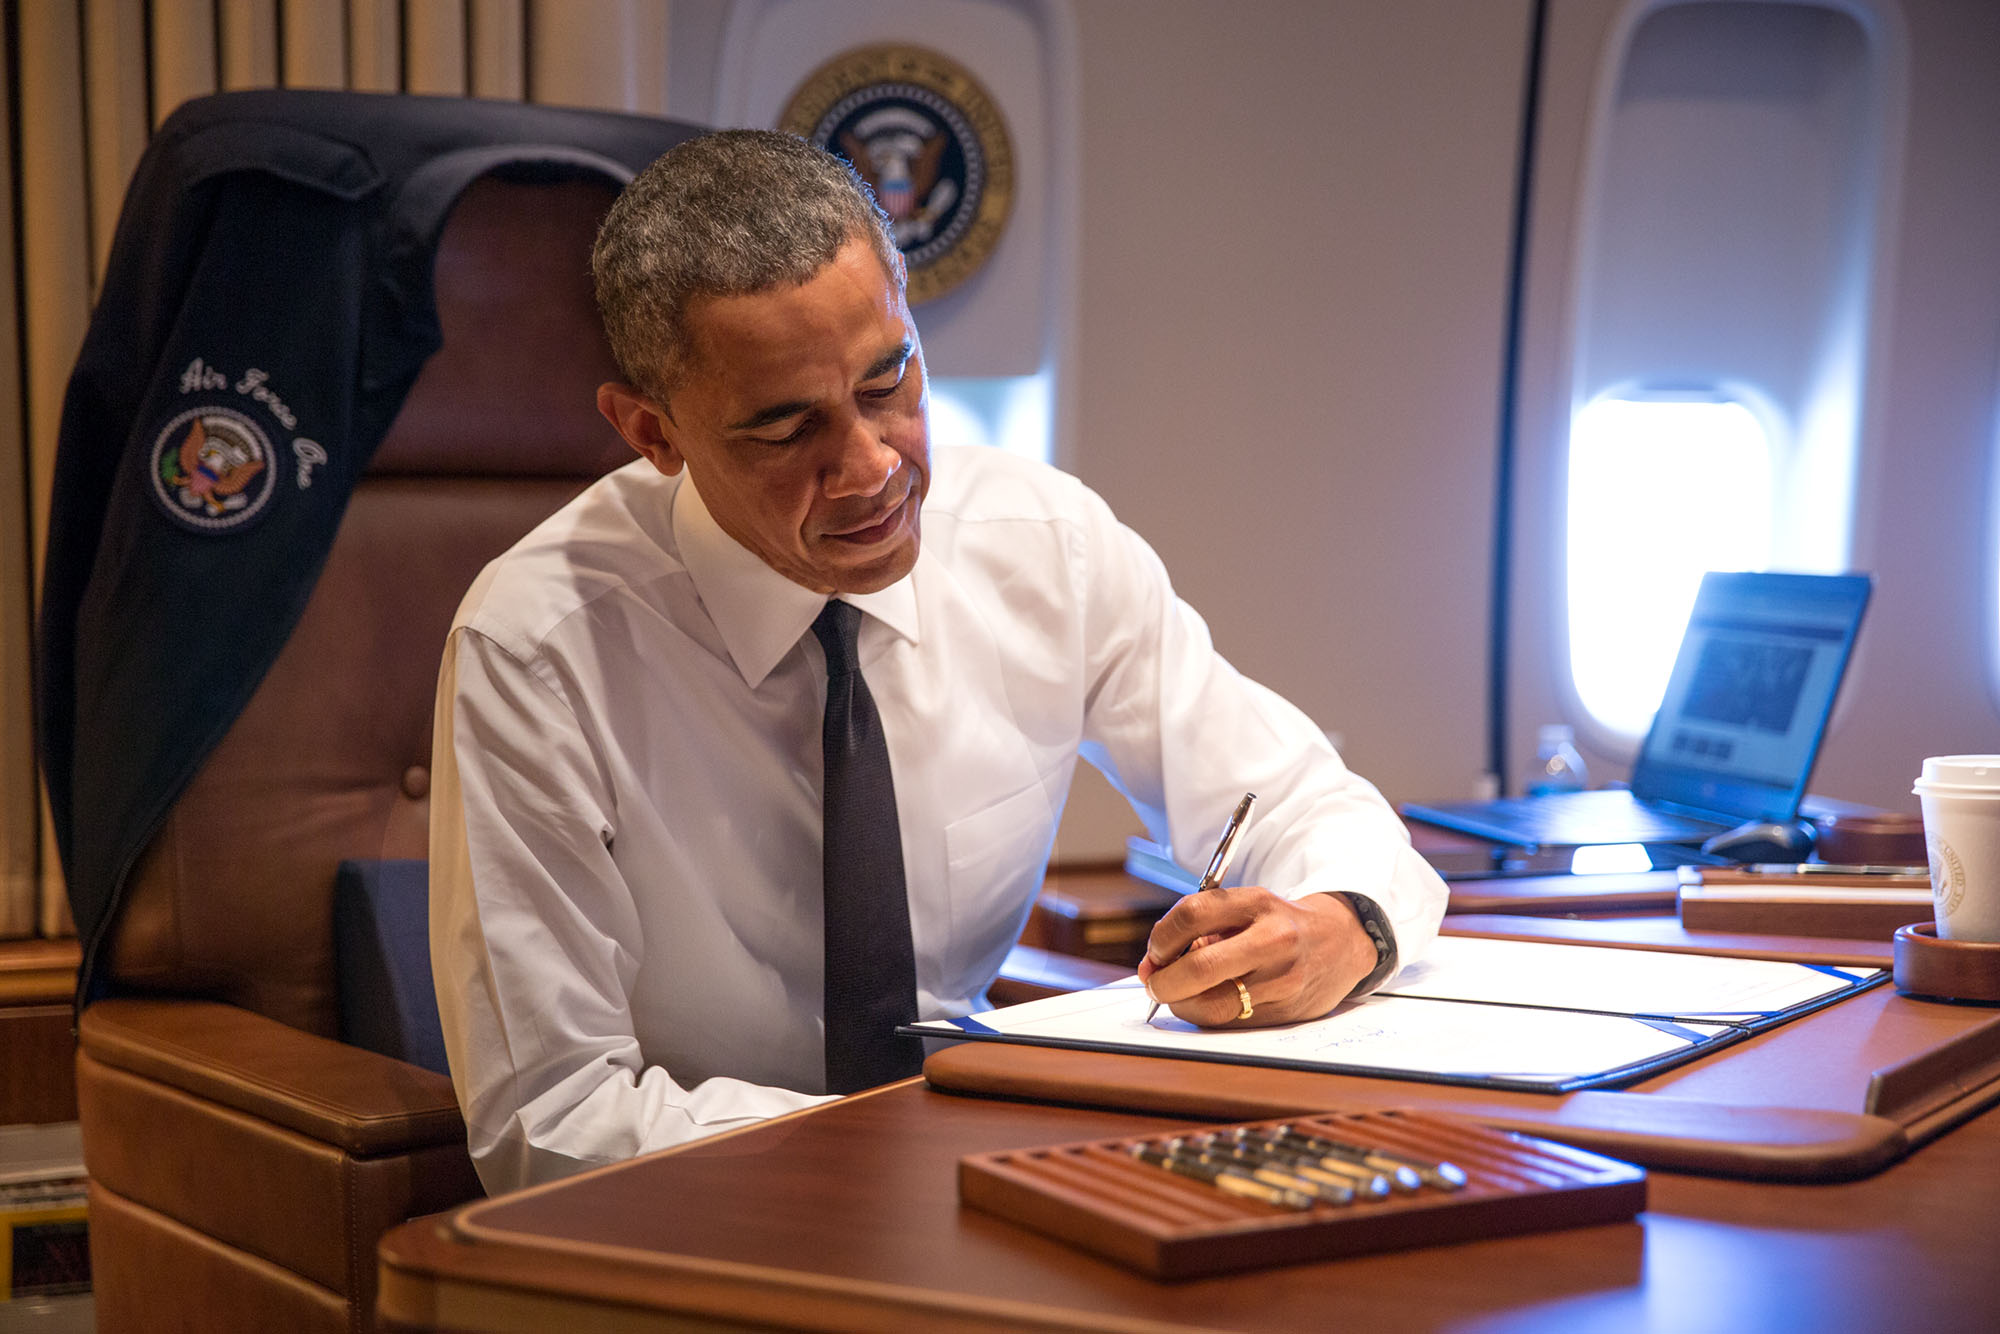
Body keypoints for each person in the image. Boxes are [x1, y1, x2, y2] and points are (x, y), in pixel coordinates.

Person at [429, 129, 1448, 1195]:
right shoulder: (535, 650)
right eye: (786, 429)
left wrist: (1345, 921)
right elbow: (551, 1121)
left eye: (889, 379)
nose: (872, 467)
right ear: (653, 433)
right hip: (707, 1218)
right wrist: (923, 1155)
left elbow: (1294, 795)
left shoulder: (1041, 543)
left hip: (980, 1169)